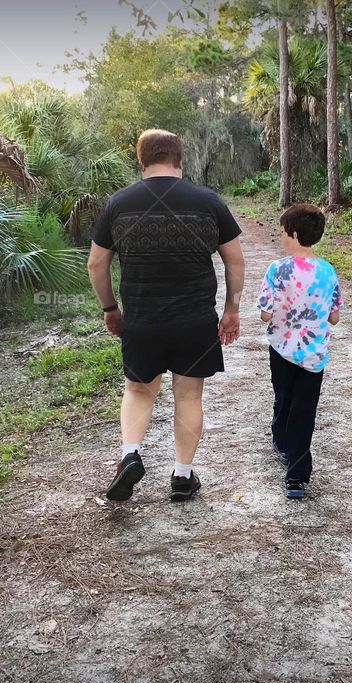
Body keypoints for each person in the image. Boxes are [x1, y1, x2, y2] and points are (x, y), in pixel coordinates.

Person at [87, 129, 245, 502]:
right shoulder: (208, 202)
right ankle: (182, 476)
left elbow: (96, 264)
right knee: (188, 397)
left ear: (140, 162)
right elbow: (235, 260)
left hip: (141, 321)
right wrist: (231, 309)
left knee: (139, 391)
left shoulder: (119, 204)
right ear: (180, 160)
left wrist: (111, 309)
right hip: (195, 322)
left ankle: (129, 455)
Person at [257, 204, 342, 499]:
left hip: (281, 350)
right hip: (314, 355)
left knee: (283, 398)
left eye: (282, 232)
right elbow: (334, 317)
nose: (280, 237)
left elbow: (265, 315)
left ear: (293, 234)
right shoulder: (328, 272)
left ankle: (280, 441)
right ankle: (297, 476)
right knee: (304, 410)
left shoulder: (277, 270)